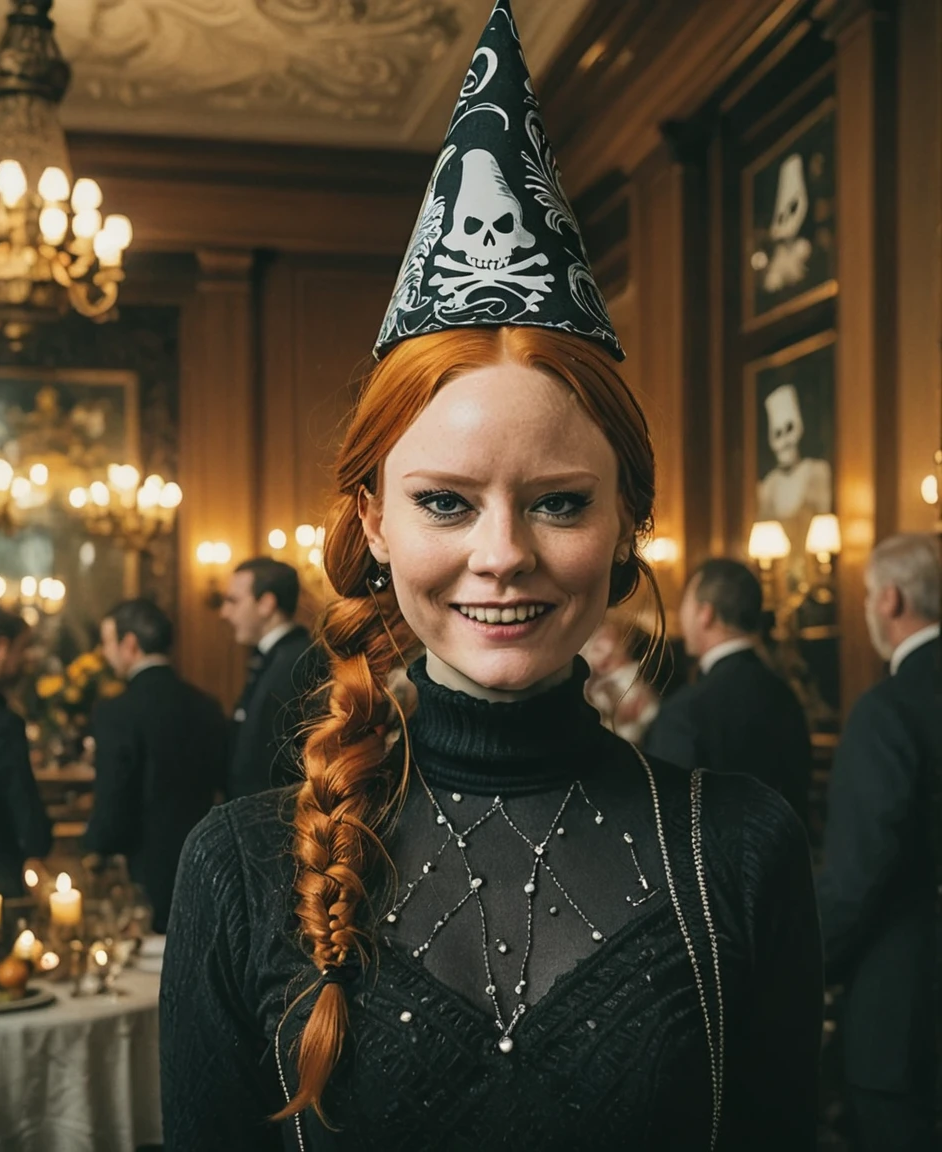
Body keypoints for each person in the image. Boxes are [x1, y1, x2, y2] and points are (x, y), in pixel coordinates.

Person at [160, 3, 824, 1148]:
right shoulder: (238, 867)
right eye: (445, 501)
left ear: (626, 525)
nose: (503, 552)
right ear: (372, 521)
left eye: (559, 500)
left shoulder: (740, 848)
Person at [816, 533, 941, 1152]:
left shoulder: (885, 711)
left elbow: (861, 872)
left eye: (867, 595)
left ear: (889, 600)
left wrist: (810, 964)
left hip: (909, 1015)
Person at [83, 599, 227, 933]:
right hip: (206, 858)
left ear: (129, 644)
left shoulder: (117, 711)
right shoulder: (206, 705)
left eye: (107, 643)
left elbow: (114, 793)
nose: (104, 654)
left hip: (142, 865)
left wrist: (97, 848)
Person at [643, 558, 813, 824]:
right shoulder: (785, 695)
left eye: (685, 605)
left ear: (705, 614)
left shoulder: (685, 711)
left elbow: (667, 820)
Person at [0, 606, 52, 898]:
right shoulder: (1, 721)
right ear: (0, 647)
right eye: (22, 649)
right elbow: (22, 804)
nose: (25, 659)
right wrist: (38, 845)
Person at [221, 557, 319, 798]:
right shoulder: (276, 657)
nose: (224, 613)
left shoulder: (296, 661)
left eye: (233, 601)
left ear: (266, 603)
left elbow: (279, 763)